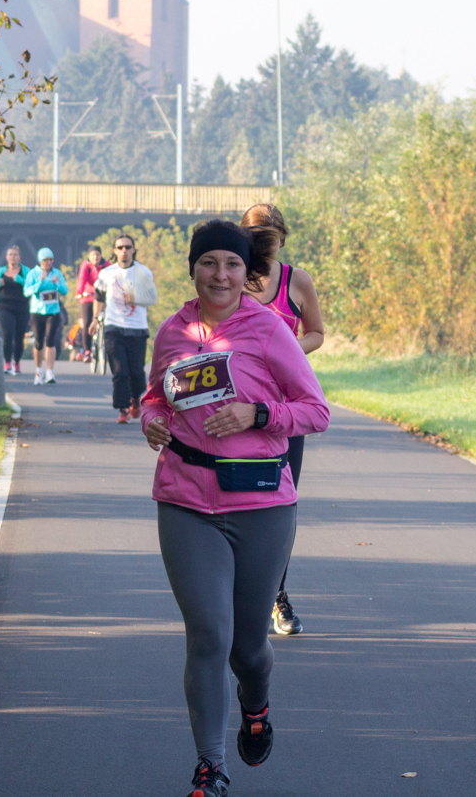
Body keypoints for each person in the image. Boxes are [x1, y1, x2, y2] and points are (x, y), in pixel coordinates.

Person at [140, 219, 330, 797]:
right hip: (185, 500)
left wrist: (259, 414)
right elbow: (155, 398)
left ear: (246, 273)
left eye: (231, 264)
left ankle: (256, 706)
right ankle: (211, 766)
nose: (219, 275)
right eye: (208, 263)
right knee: (207, 636)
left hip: (260, 504)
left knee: (247, 647)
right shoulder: (172, 332)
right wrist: (152, 420)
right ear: (192, 269)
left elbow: (315, 411)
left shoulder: (268, 329)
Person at [239, 203, 324, 638]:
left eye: (270, 237)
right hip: (234, 410)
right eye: (256, 236)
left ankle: (277, 594)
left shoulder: (297, 280)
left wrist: (285, 351)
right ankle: (236, 593)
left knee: (280, 503)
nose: (264, 244)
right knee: (235, 500)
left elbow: (316, 333)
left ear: (282, 239)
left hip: (286, 411)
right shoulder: (230, 277)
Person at [93, 233, 157, 424]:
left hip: (137, 329)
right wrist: (95, 319)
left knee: (136, 372)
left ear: (133, 250)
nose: (124, 251)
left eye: (128, 247)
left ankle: (135, 398)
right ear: (114, 251)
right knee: (120, 371)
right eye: (120, 248)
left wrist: (136, 298)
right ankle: (123, 409)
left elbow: (152, 298)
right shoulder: (106, 273)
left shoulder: (143, 272)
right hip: (113, 328)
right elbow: (99, 297)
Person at [23, 247, 69, 385]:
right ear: (40, 261)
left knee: (50, 341)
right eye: (45, 260)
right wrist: (40, 282)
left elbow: (65, 290)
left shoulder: (57, 273)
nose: (48, 262)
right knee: (38, 342)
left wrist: (57, 283)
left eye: (50, 259)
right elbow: (27, 291)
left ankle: (49, 371)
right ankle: (38, 371)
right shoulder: (33, 273)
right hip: (37, 312)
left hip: (53, 312)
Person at [0, 245, 32, 375]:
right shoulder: (0, 271)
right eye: (10, 254)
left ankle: (16, 362)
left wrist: (19, 279)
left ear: (19, 257)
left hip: (22, 308)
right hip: (5, 308)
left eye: (15, 255)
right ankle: (7, 362)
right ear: (6, 257)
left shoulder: (26, 271)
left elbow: (30, 286)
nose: (13, 257)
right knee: (8, 333)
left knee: (19, 337)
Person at [75, 245, 104, 363]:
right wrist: (80, 292)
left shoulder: (106, 266)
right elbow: (81, 280)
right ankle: (87, 351)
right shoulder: (86, 266)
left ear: (101, 256)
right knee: (87, 321)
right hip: (88, 296)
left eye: (97, 254)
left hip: (102, 296)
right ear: (89, 256)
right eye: (93, 255)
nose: (95, 257)